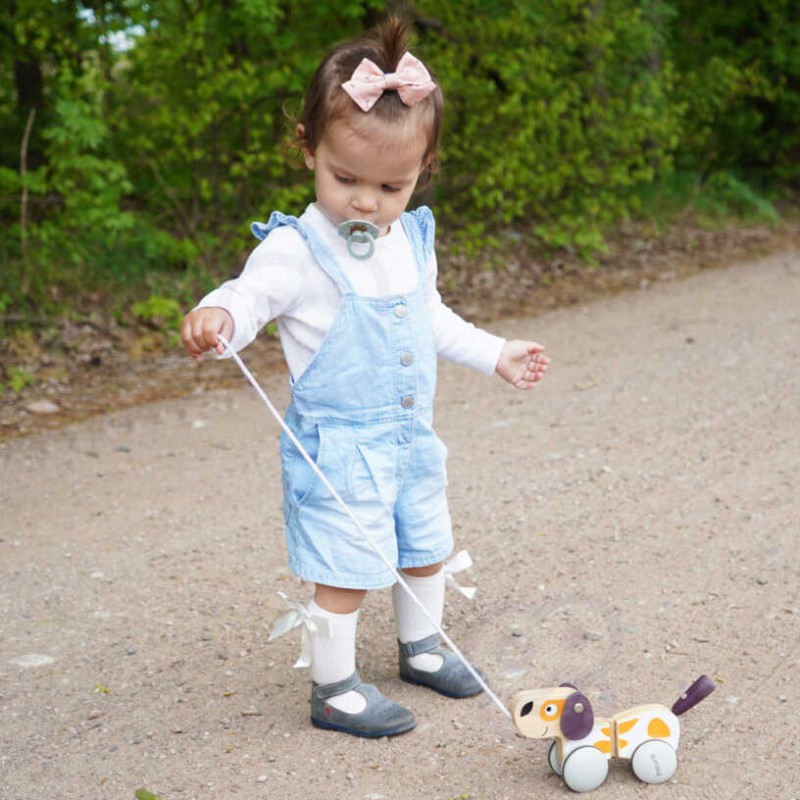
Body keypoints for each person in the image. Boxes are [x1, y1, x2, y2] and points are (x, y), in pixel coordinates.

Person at [180, 16, 549, 738]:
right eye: (345, 178)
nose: (366, 202)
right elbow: (249, 296)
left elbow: (430, 318)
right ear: (308, 149)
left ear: (423, 171)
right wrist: (219, 315)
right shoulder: (296, 248)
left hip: (411, 437)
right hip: (340, 449)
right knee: (344, 569)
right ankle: (334, 688)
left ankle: (422, 648)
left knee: (425, 546)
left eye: (390, 185)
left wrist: (494, 352)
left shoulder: (407, 239)